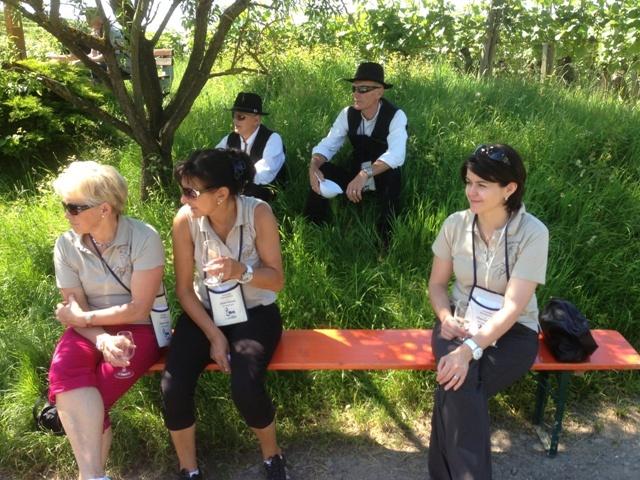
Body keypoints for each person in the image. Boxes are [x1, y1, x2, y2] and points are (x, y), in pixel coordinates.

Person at [161, 149, 289, 479]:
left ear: (220, 194)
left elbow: (277, 280)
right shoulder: (185, 220)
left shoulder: (258, 213)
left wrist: (241, 271)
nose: (183, 199)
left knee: (245, 385)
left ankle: (272, 456)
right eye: (182, 191)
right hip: (204, 313)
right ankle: (189, 469)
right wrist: (214, 335)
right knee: (173, 387)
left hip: (255, 311)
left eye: (191, 192)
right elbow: (184, 291)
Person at [427, 144, 549, 479]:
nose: (471, 191)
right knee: (460, 382)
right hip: (459, 322)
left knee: (456, 383)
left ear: (509, 189)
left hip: (515, 331)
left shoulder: (533, 233)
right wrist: (445, 318)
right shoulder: (455, 224)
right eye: (469, 182)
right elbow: (437, 285)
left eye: (482, 185)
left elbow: (513, 307)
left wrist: (467, 352)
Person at [48, 161, 165, 480]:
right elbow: (75, 306)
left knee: (90, 400)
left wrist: (84, 319)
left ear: (104, 209)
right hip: (89, 329)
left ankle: (90, 476)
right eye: (65, 206)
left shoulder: (144, 237)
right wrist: (101, 338)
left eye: (74, 207)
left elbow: (139, 309)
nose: (67, 214)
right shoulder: (66, 244)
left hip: (139, 328)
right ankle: (94, 476)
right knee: (65, 372)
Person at [303, 61, 408, 246]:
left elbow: (397, 154)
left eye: (363, 89)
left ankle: (385, 241)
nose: (356, 94)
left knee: (393, 176)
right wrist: (313, 166)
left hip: (381, 177)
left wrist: (365, 174)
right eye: (354, 88)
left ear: (379, 92)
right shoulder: (347, 114)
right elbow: (329, 144)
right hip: (354, 175)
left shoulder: (396, 116)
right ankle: (310, 228)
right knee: (323, 170)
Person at [215, 92, 286, 203]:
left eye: (240, 117)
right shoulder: (230, 139)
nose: (235, 120)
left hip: (262, 190)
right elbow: (214, 159)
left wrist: (234, 180)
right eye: (233, 115)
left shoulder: (272, 139)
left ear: (256, 120)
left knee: (244, 194)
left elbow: (264, 173)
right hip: (236, 185)